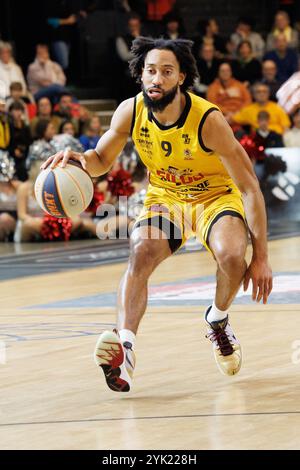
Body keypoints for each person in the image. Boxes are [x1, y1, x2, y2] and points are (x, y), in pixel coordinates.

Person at [42, 37, 272, 392]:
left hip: (214, 197)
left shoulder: (208, 119)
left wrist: (261, 258)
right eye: (151, 71)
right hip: (166, 198)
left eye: (166, 72)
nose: (157, 79)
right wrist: (78, 159)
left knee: (231, 256)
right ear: (140, 73)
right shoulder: (130, 111)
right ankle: (126, 349)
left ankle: (218, 319)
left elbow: (250, 187)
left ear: (181, 77)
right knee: (141, 252)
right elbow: (100, 160)